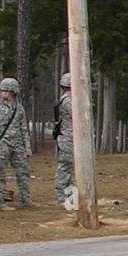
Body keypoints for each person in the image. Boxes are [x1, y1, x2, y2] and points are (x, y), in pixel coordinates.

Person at [0, 77, 33, 209]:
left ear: (13, 92)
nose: (3, 93)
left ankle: (25, 199)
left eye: (7, 91)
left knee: (23, 172)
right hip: (1, 144)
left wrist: (27, 147)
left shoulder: (19, 108)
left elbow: (24, 129)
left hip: (18, 144)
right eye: (2, 90)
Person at [54, 72, 75, 203]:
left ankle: (70, 195)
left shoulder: (66, 100)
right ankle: (61, 196)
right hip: (67, 138)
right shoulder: (68, 101)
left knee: (71, 168)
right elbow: (76, 115)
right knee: (65, 167)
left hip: (69, 137)